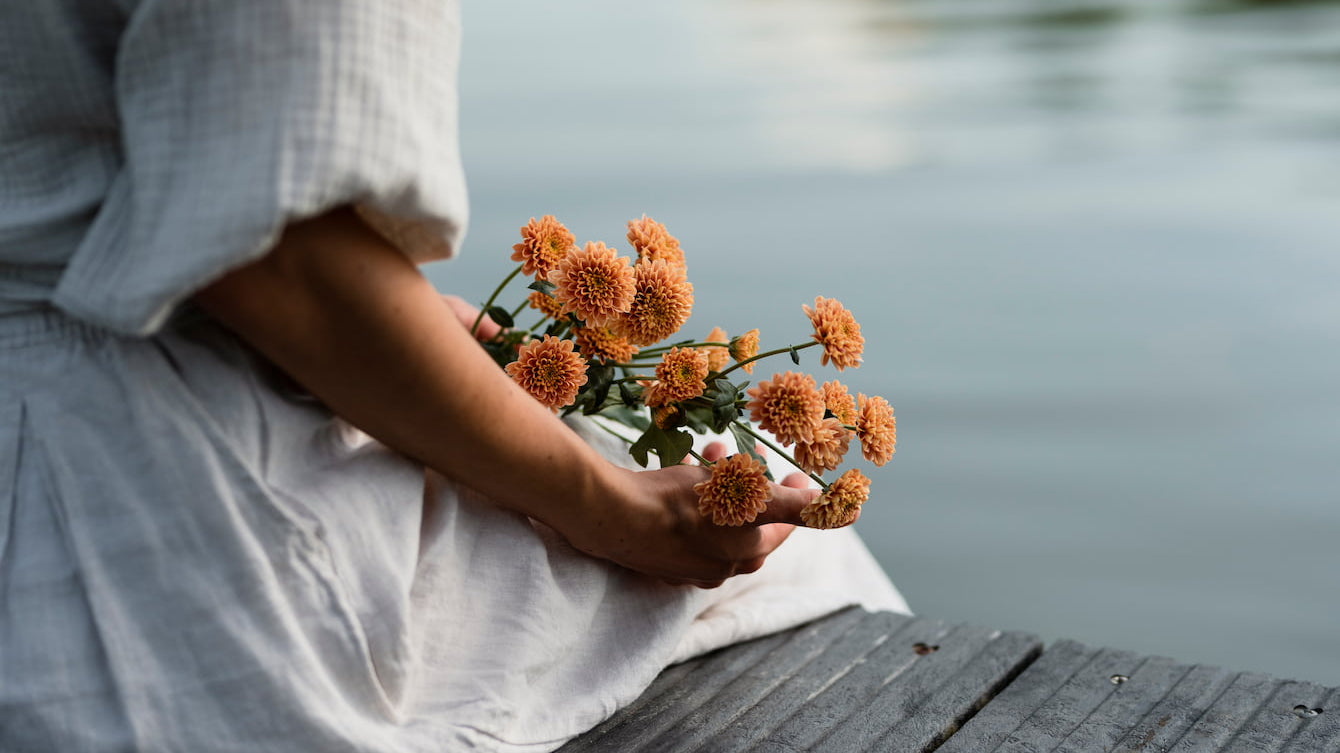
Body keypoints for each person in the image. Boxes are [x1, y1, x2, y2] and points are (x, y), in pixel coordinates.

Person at [0, 1, 908, 750]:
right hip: (133, 520)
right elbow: (277, 263)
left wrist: (413, 315)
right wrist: (615, 509)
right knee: (807, 555)